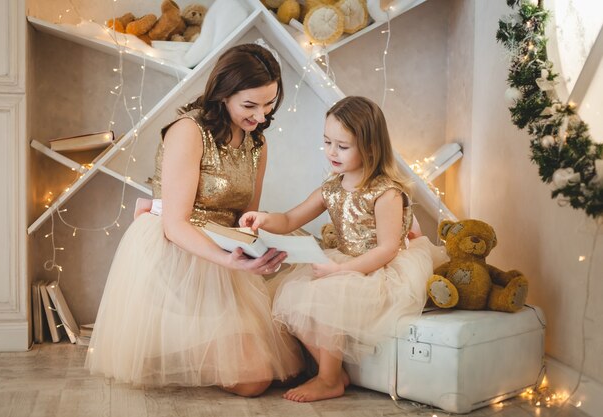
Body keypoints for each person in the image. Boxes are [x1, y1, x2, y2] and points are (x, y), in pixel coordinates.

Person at [85, 43, 304, 397]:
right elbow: (175, 225)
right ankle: (163, 348)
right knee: (254, 380)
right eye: (250, 105)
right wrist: (227, 261)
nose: (261, 117)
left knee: (271, 372)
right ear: (222, 94)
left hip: (226, 251)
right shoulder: (188, 131)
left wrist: (258, 244)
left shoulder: (257, 144)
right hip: (176, 252)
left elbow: (245, 219)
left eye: (269, 104)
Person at [239, 96, 447, 402]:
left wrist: (341, 269)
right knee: (291, 295)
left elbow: (388, 249)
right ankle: (333, 372)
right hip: (346, 259)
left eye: (342, 146)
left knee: (330, 293)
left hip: (379, 267)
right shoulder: (332, 187)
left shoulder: (385, 191)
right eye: (327, 142)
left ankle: (328, 378)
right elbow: (290, 219)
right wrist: (265, 219)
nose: (331, 152)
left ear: (370, 147)